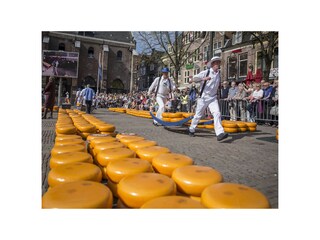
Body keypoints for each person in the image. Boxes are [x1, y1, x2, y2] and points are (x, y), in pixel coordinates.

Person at [187, 56, 228, 141]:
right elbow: (191, 80)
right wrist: (203, 79)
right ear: (212, 64)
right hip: (203, 98)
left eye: (218, 63)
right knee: (198, 115)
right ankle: (191, 129)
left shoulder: (219, 74)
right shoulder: (206, 72)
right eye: (216, 63)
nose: (218, 64)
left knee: (217, 113)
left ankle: (220, 133)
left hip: (213, 98)